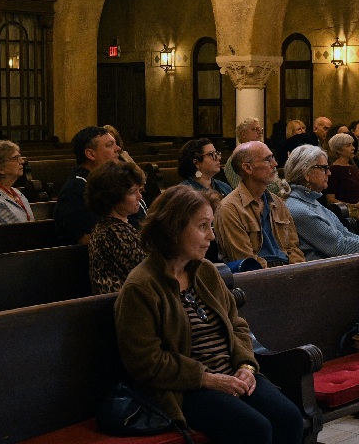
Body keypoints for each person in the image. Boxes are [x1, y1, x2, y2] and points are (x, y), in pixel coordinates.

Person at [114, 185, 304, 444]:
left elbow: (237, 326)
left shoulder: (205, 271)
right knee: (255, 429)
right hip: (186, 388)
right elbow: (145, 361)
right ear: (173, 229)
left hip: (232, 374)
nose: (212, 237)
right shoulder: (141, 287)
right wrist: (207, 379)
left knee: (289, 417)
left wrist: (246, 366)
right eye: (203, 226)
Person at [215, 141, 305, 270]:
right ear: (248, 168)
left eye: (273, 157)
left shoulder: (277, 202)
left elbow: (293, 247)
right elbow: (245, 260)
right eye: (268, 160)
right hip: (258, 277)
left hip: (287, 271)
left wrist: (298, 270)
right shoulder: (229, 209)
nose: (275, 164)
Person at [283, 144, 359, 260]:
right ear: (306, 173)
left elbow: (344, 233)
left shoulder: (311, 200)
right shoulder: (298, 209)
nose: (329, 173)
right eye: (324, 168)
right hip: (320, 272)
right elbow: (338, 245)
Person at [56, 126, 145, 244]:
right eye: (109, 145)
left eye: (116, 144)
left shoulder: (113, 181)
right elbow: (92, 238)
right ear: (90, 154)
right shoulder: (76, 189)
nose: (118, 148)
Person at [86, 160, 148, 295]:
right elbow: (151, 269)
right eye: (133, 192)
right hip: (122, 304)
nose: (140, 196)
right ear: (113, 197)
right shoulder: (112, 233)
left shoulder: (115, 226)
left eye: (139, 190)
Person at [325, 132, 359, 209]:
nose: (353, 148)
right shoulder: (333, 170)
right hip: (344, 211)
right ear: (339, 150)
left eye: (352, 145)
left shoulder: (353, 168)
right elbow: (330, 198)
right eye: (348, 146)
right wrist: (352, 206)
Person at [224, 118, 264, 190]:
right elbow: (241, 189)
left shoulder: (263, 155)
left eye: (261, 129)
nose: (260, 132)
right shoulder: (235, 160)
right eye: (255, 129)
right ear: (243, 134)